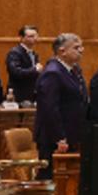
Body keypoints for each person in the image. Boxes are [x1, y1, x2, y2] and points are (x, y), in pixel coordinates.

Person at [33, 33, 87, 162]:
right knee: (51, 177)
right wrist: (59, 137)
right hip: (54, 138)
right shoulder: (53, 73)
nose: (81, 50)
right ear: (62, 51)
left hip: (71, 133)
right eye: (76, 47)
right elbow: (50, 109)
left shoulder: (72, 71)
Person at [6, 25, 40, 103]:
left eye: (36, 36)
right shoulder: (15, 53)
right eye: (31, 36)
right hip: (19, 93)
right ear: (22, 38)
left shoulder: (34, 54)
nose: (35, 39)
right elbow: (15, 72)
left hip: (31, 93)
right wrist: (35, 70)